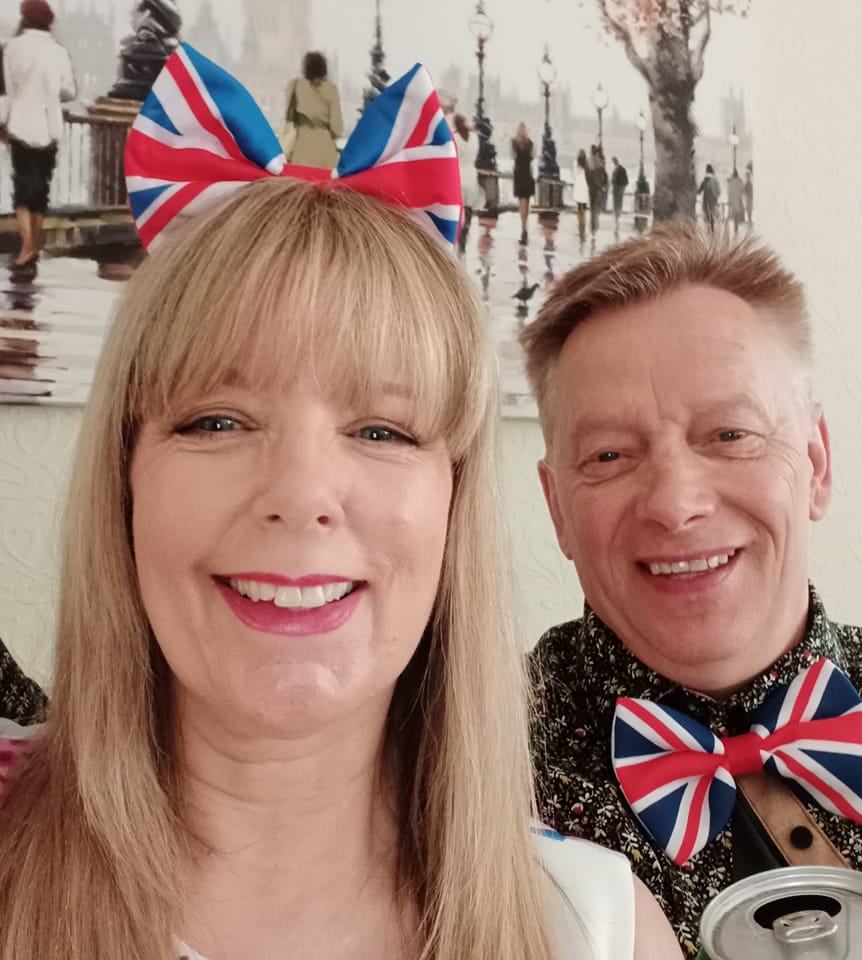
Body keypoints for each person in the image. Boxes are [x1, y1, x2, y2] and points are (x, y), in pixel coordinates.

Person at [0, 49, 681, 960]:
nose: (299, 496)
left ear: (454, 505)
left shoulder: (596, 929)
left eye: (381, 430)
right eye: (216, 420)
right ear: (124, 482)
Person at [519, 221, 862, 956]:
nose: (675, 504)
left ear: (816, 464)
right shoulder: (457, 762)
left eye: (730, 435)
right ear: (557, 507)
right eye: (609, 455)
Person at [2, 0, 76, 272]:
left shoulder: (12, 48)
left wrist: (2, 122)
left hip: (21, 124)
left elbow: (6, 91)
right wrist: (51, 93)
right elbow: (69, 91)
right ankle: (33, 245)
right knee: (40, 188)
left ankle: (27, 245)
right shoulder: (58, 51)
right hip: (50, 125)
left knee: (22, 188)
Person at [283, 50, 343, 168]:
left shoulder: (295, 85)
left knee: (300, 179)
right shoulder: (331, 90)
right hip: (325, 150)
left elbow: (289, 117)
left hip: (301, 147)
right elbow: (337, 128)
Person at [452, 112, 482, 255]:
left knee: (459, 208)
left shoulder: (455, 138)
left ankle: (458, 234)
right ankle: (465, 231)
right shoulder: (474, 138)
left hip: (459, 175)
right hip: (471, 175)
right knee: (469, 209)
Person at [511, 122, 535, 246]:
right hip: (527, 174)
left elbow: (513, 156)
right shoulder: (530, 144)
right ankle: (525, 229)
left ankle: (524, 230)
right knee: (526, 204)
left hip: (519, 174)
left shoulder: (514, 143)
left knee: (522, 205)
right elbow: (532, 156)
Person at [587, 144, 608, 237]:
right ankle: (594, 225)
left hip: (592, 187)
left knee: (593, 207)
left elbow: (587, 175)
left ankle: (593, 226)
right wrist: (603, 185)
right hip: (598, 188)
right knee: (596, 207)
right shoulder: (600, 162)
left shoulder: (589, 161)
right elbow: (604, 175)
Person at [697, 163, 720, 234]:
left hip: (706, 199)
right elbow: (719, 191)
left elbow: (699, 190)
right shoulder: (715, 180)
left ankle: (708, 229)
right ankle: (712, 229)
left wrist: (698, 191)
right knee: (712, 213)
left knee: (707, 214)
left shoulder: (706, 179)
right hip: (713, 199)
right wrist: (716, 197)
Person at [573, 149, 589, 244]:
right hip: (585, 189)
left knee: (579, 212)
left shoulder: (576, 164)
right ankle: (583, 231)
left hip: (578, 189)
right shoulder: (587, 165)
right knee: (584, 212)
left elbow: (574, 175)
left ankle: (580, 230)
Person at [726, 168, 745, 235]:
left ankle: (735, 226)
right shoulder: (740, 181)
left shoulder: (730, 182)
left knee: (734, 213)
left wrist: (729, 200)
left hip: (732, 199)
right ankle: (736, 227)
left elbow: (728, 192)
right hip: (738, 199)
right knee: (737, 213)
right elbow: (742, 190)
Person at [611, 156, 628, 227]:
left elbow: (615, 179)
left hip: (617, 187)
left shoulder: (617, 169)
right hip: (620, 187)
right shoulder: (621, 168)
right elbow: (626, 180)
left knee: (617, 200)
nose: (613, 162)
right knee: (619, 200)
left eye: (613, 161)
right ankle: (618, 213)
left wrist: (615, 184)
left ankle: (617, 214)